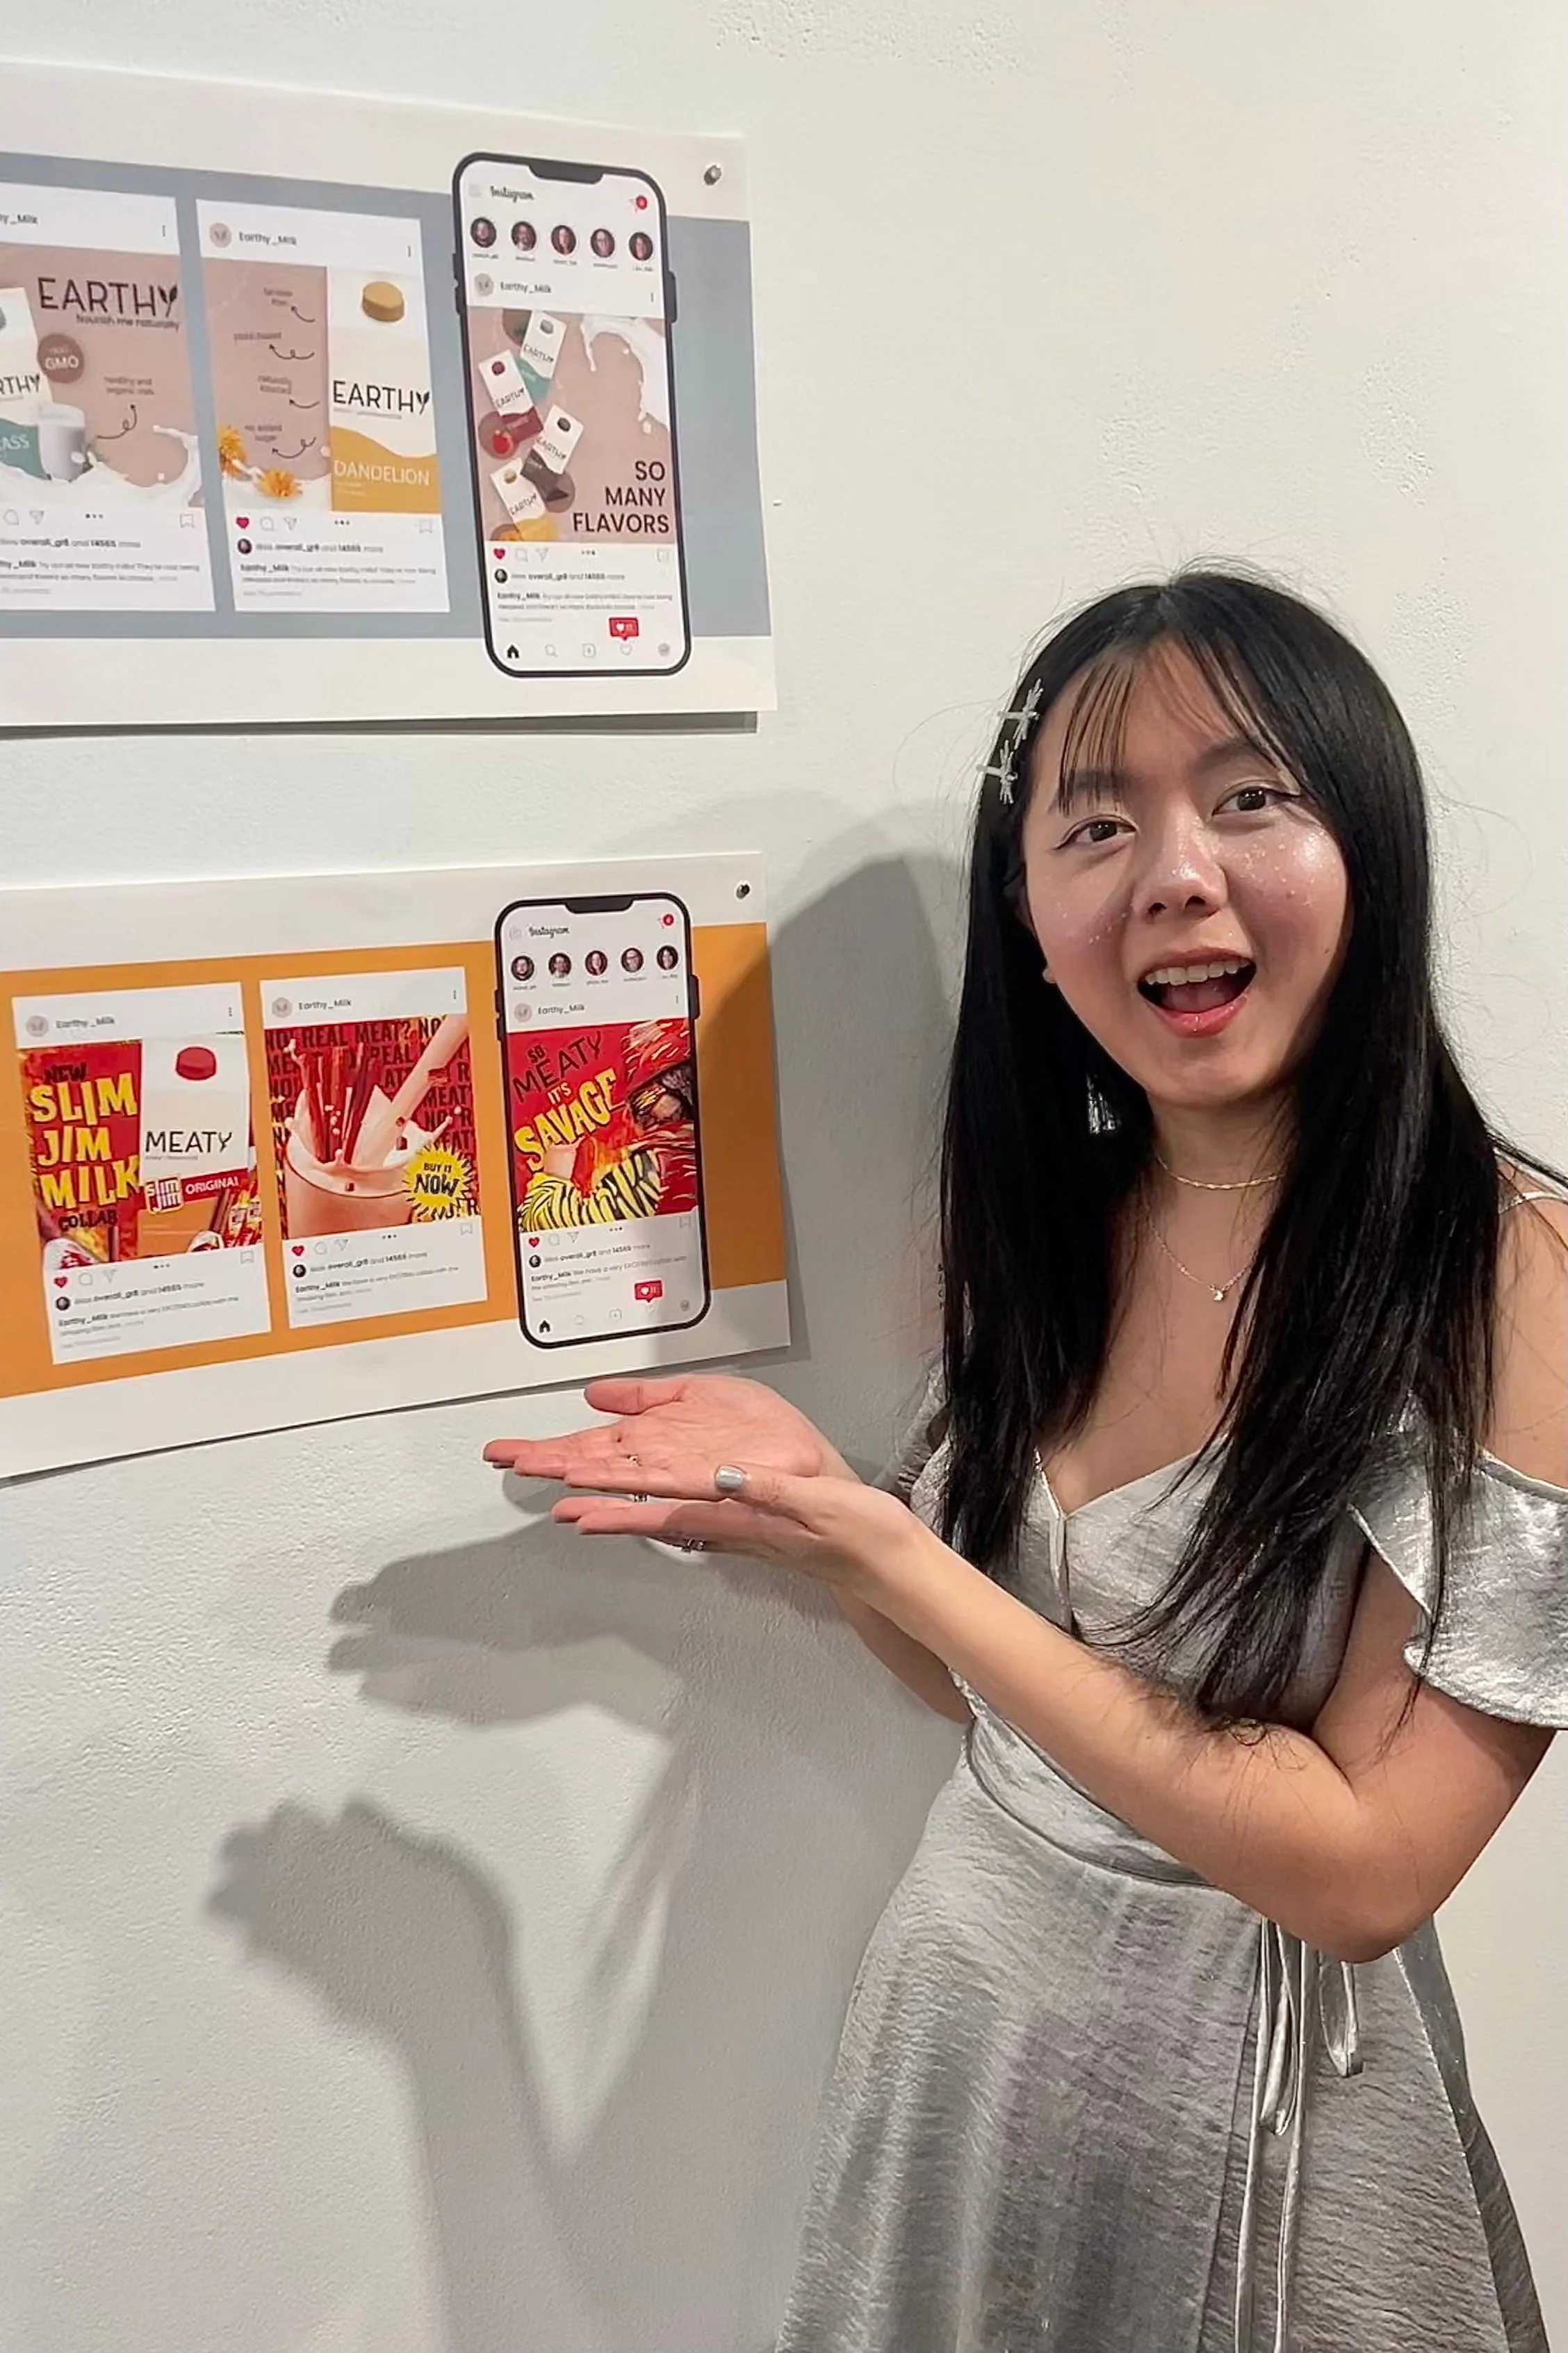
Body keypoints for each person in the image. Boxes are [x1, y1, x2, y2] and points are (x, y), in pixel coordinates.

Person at [485, 570, 1567, 2353]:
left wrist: (892, 1554)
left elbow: (1367, 1872)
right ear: (1033, 918)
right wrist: (833, 1523)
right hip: (972, 2035)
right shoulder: (1062, 1225)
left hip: (1267, 2117)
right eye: (1097, 825)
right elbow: (991, 1698)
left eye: (1250, 797)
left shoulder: (1508, 1273)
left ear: (1370, 847)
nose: (1176, 873)